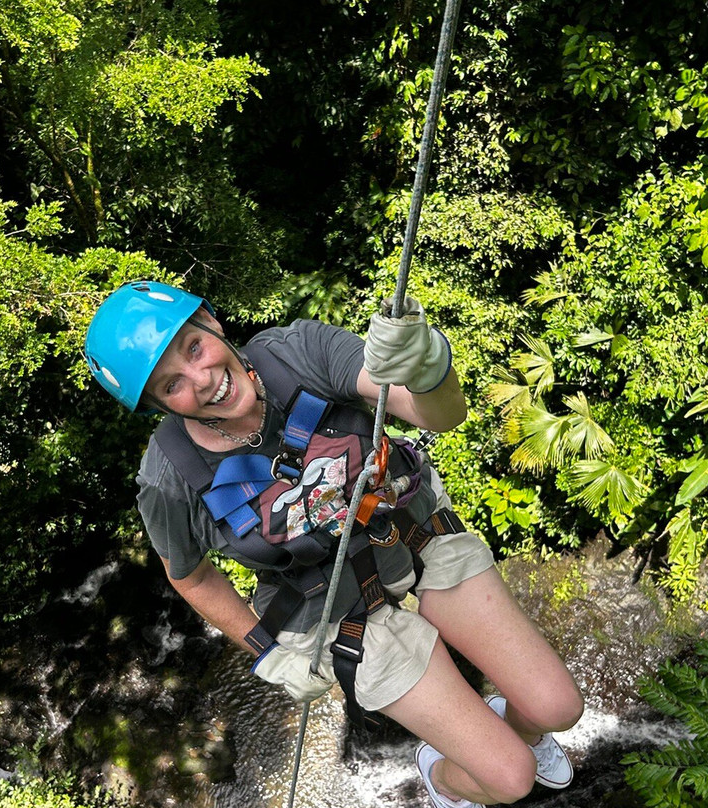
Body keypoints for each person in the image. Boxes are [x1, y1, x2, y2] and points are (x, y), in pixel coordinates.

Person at [84, 280, 584, 808]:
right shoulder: (170, 479)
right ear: (158, 406)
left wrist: (428, 369)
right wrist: (264, 651)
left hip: (411, 534)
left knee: (558, 708)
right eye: (172, 385)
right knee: (512, 779)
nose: (203, 379)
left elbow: (436, 414)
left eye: (192, 347)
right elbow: (189, 575)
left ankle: (518, 730)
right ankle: (443, 781)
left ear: (211, 320)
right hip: (331, 606)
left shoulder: (295, 354)